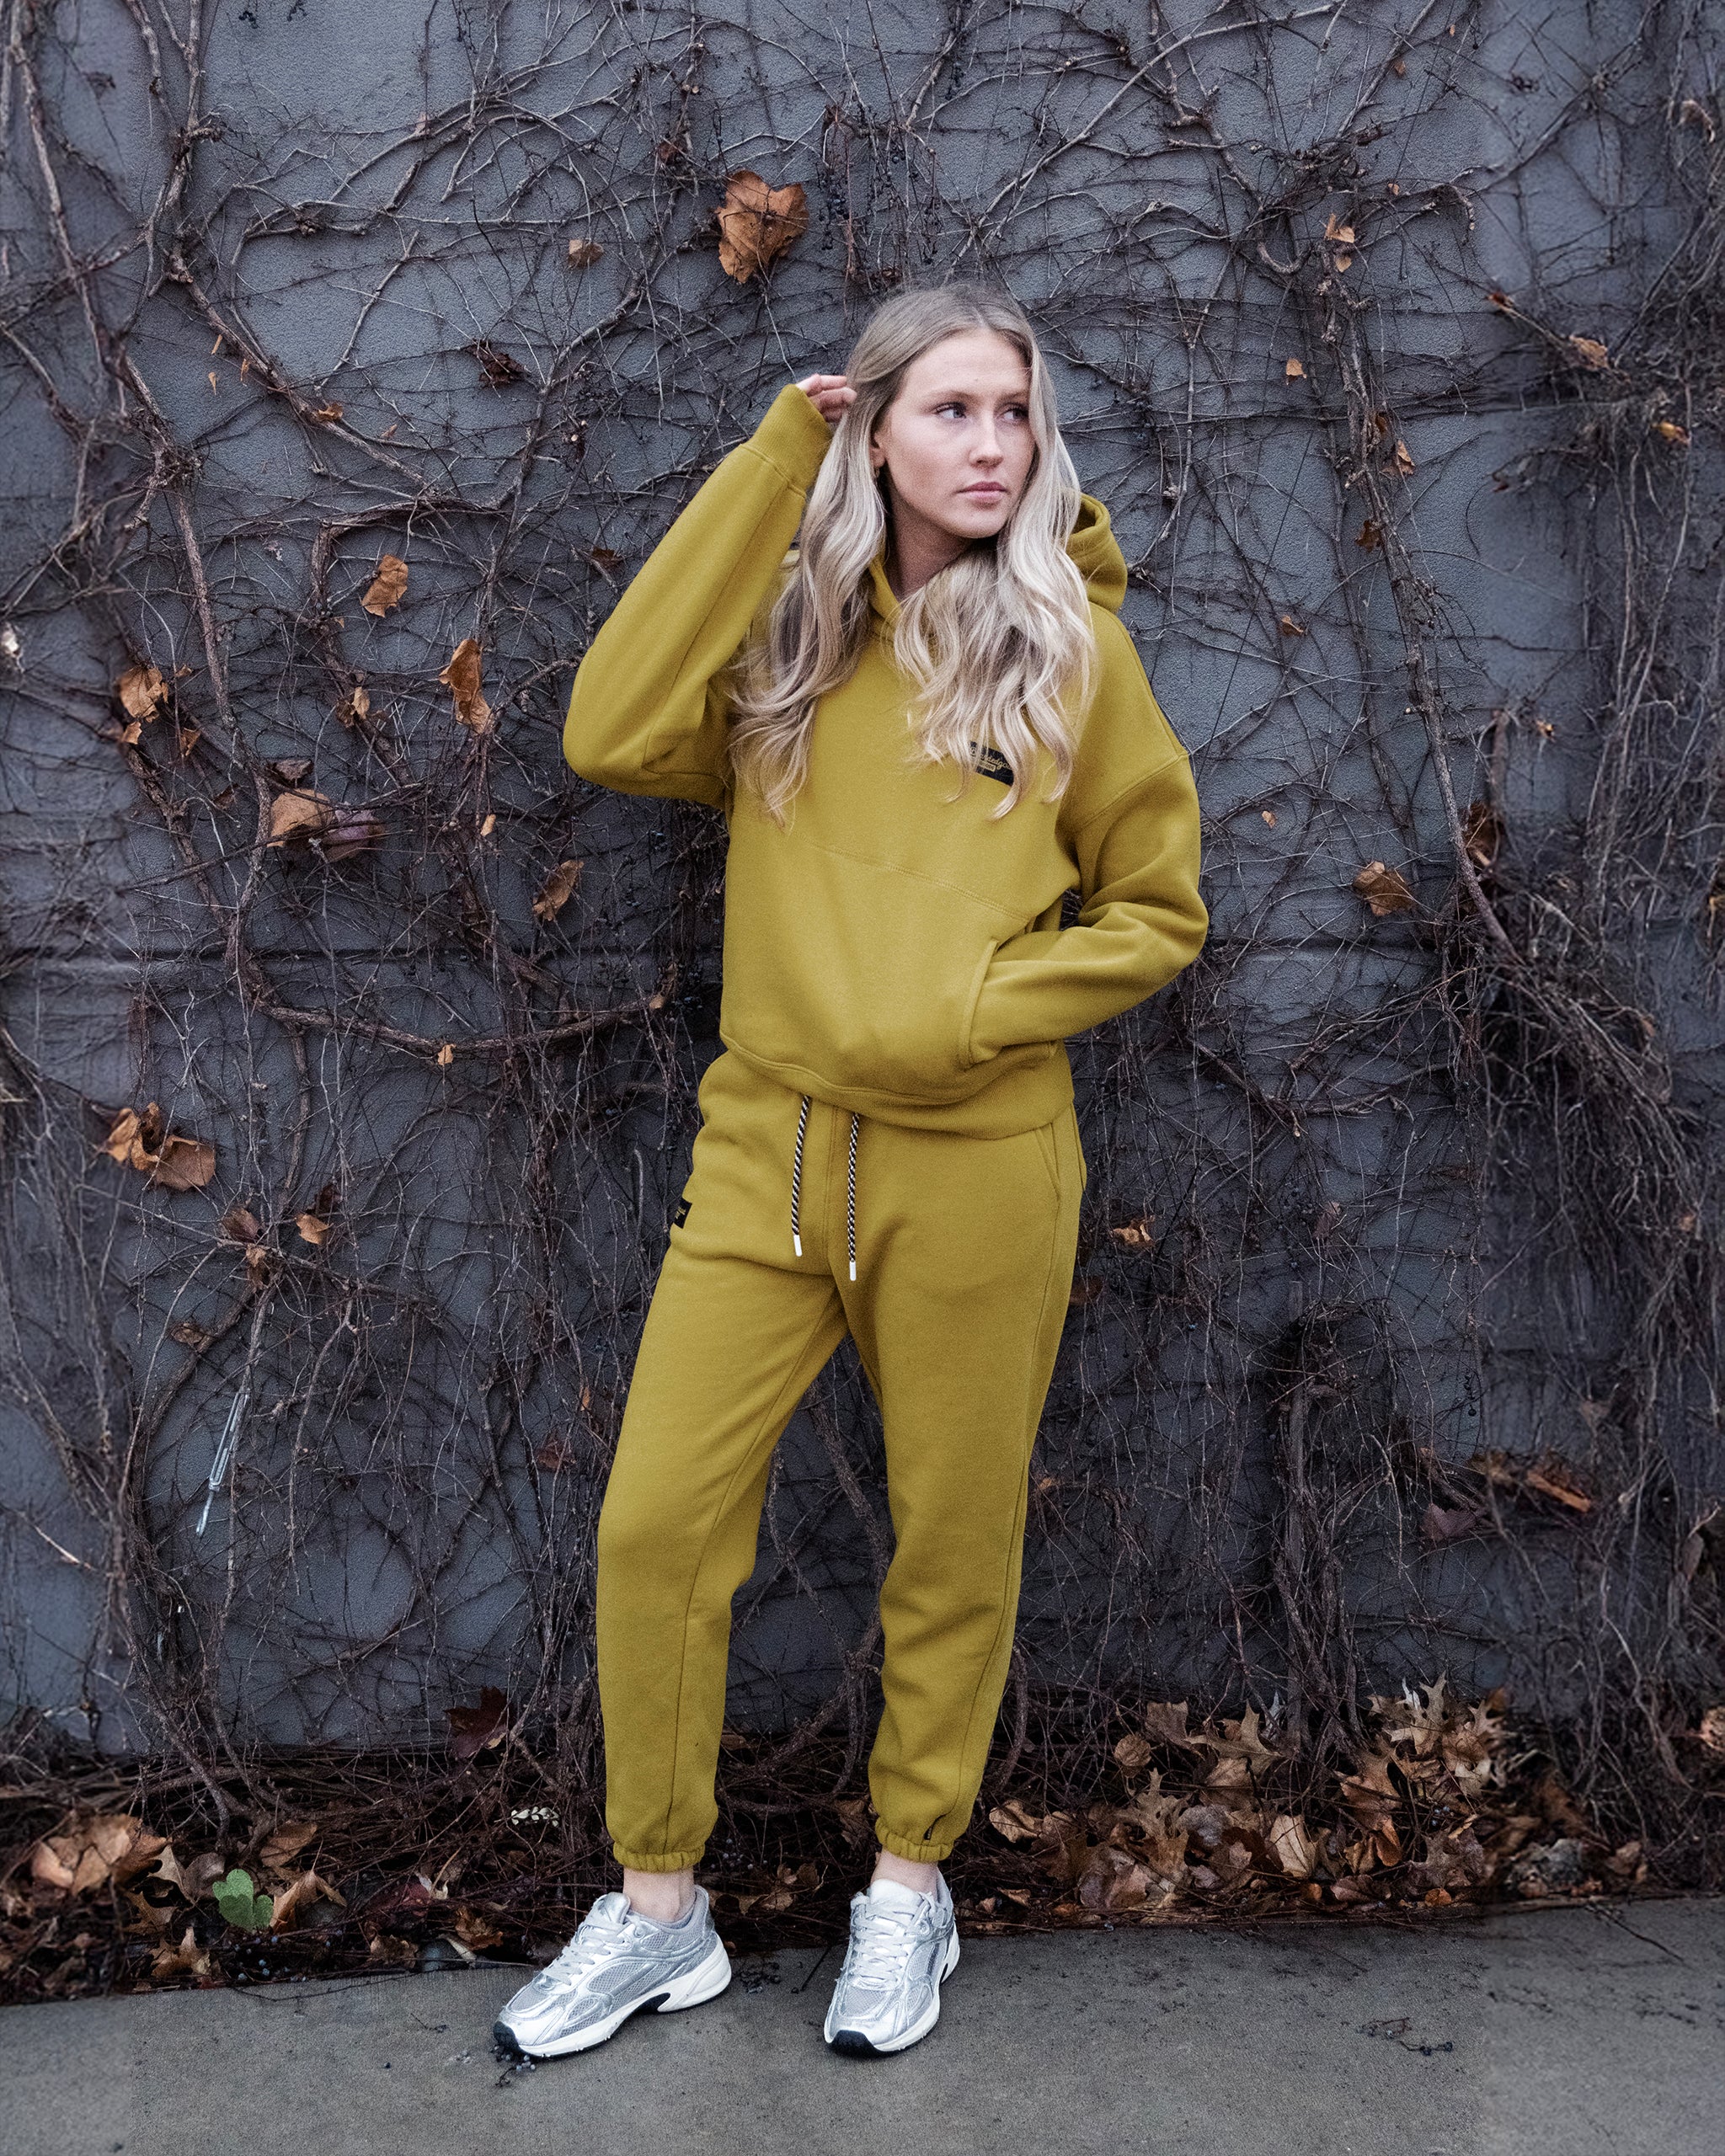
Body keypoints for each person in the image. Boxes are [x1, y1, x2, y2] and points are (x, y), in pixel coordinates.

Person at [494, 282, 1206, 2063]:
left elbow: (1156, 911)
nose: (990, 445)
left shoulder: (1072, 650)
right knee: (657, 1526)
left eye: (1014, 413)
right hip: (767, 1154)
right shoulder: (788, 642)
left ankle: (909, 1885)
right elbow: (603, 728)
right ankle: (659, 1911)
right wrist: (763, 471)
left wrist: (974, 1001)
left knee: (950, 1544)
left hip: (976, 1169)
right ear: (872, 428)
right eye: (951, 410)